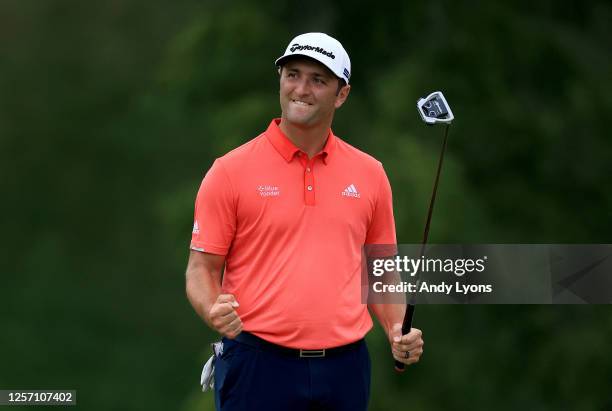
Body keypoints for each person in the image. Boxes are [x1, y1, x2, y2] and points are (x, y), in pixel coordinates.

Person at [185, 32, 424, 411]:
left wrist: (396, 327)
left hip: (345, 368)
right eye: (292, 74)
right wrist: (213, 306)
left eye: (318, 79)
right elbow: (201, 268)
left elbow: (381, 270)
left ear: (341, 94)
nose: (301, 88)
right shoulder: (229, 171)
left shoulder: (370, 174)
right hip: (257, 363)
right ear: (280, 80)